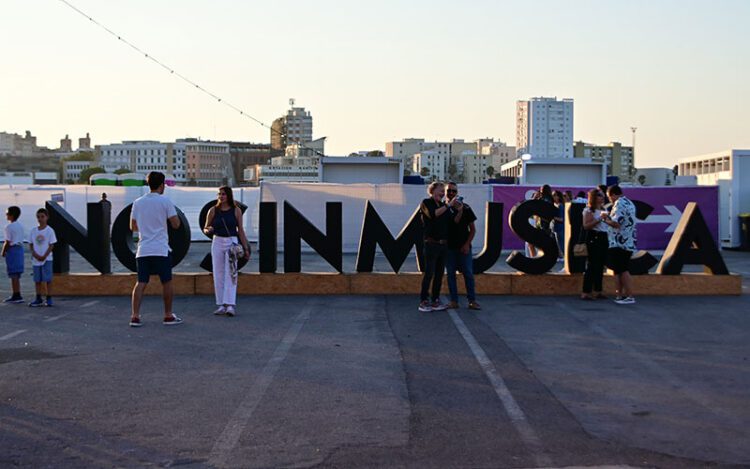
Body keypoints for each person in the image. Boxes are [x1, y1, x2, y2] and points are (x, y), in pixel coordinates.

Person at [129, 171, 183, 327]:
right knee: (166, 282)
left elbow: (132, 226)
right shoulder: (165, 201)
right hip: (160, 248)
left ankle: (135, 316)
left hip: (143, 248)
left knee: (141, 282)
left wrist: (146, 227)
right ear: (162, 185)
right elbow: (176, 224)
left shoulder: (138, 202)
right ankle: (167, 315)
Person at [204, 186, 251, 317]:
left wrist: (246, 247)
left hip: (231, 241)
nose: (221, 196)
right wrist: (208, 230)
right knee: (218, 272)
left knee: (231, 273)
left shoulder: (236, 210)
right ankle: (221, 304)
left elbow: (240, 230)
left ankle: (230, 304)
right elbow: (206, 227)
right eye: (219, 194)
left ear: (229, 196)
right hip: (217, 241)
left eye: (223, 194)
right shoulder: (213, 210)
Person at [418, 181, 455, 312]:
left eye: (443, 191)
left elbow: (453, 222)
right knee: (429, 273)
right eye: (440, 190)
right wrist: (448, 205)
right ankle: (423, 301)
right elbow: (433, 214)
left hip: (443, 245)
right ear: (432, 191)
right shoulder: (426, 203)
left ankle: (435, 300)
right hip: (431, 244)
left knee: (439, 274)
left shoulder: (444, 205)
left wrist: (458, 209)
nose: (443, 193)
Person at [444, 182, 480, 310]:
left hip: (464, 248)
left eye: (454, 191)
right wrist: (457, 210)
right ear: (445, 192)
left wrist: (466, 244)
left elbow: (473, 229)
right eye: (449, 191)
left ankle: (472, 300)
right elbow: (453, 222)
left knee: (468, 274)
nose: (451, 193)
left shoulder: (467, 208)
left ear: (457, 192)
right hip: (449, 248)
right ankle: (454, 301)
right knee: (450, 275)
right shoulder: (443, 208)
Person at [601, 185, 637, 304]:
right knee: (619, 270)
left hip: (619, 242)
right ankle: (620, 295)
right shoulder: (630, 203)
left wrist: (605, 219)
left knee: (622, 269)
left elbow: (616, 223)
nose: (610, 200)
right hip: (628, 241)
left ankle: (629, 296)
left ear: (613, 195)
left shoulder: (619, 204)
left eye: (609, 197)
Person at [581, 189, 608, 300]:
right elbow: (586, 225)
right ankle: (586, 291)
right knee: (592, 265)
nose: (602, 197)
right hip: (594, 237)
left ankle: (598, 290)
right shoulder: (589, 210)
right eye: (599, 196)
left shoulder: (603, 209)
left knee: (601, 265)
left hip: (603, 236)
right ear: (594, 198)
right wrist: (599, 219)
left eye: (602, 195)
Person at [28, 208, 57, 307]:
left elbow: (51, 245)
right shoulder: (33, 231)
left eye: (42, 217)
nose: (40, 219)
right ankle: (38, 297)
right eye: (38, 217)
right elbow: (31, 244)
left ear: (47, 217)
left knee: (48, 279)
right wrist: (35, 254)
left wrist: (44, 256)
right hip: (36, 260)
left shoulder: (50, 231)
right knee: (37, 280)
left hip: (47, 259)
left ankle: (49, 297)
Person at [2, 206, 25, 304]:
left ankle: (16, 295)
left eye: (7, 213)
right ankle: (17, 293)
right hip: (20, 249)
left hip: (13, 249)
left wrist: (3, 252)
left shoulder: (9, 227)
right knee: (17, 273)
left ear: (11, 215)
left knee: (13, 273)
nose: (6, 215)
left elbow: (7, 241)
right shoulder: (20, 225)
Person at [552, 190, 566, 259]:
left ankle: (565, 262)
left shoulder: (560, 206)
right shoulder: (556, 205)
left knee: (562, 246)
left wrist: (552, 216)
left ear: (558, 197)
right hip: (556, 229)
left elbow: (561, 219)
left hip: (560, 229)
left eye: (554, 195)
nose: (553, 197)